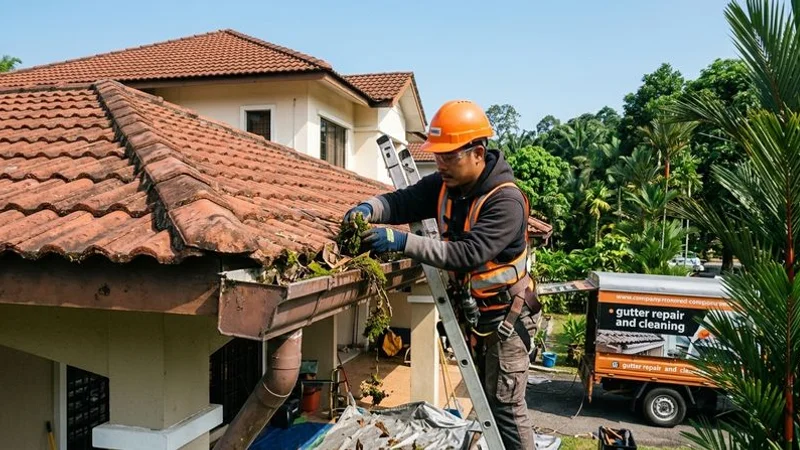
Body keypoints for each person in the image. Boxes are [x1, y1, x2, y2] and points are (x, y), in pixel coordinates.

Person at [343, 100, 541, 449]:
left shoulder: (505, 201)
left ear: (477, 153)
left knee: (507, 407)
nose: (440, 164)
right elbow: (403, 201)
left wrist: (400, 240)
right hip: (477, 316)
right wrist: (368, 209)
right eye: (437, 156)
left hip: (508, 318)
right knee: (484, 400)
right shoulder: (444, 186)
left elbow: (467, 254)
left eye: (449, 156)